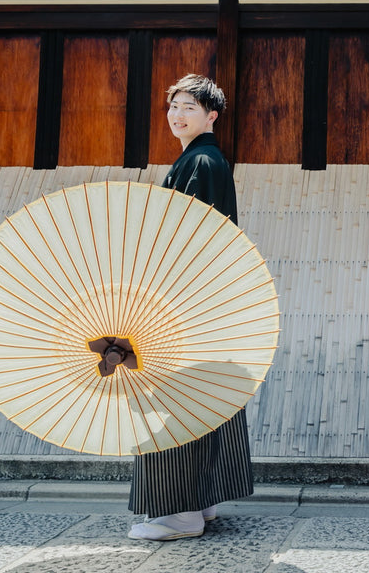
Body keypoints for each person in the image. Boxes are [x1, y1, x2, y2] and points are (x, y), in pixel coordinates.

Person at [127, 74, 254, 541]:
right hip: (206, 301)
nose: (177, 115)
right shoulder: (207, 159)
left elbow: (185, 239)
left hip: (184, 302)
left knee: (173, 398)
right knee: (204, 396)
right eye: (173, 106)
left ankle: (177, 513)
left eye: (189, 108)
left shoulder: (199, 161)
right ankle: (202, 500)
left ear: (211, 115)